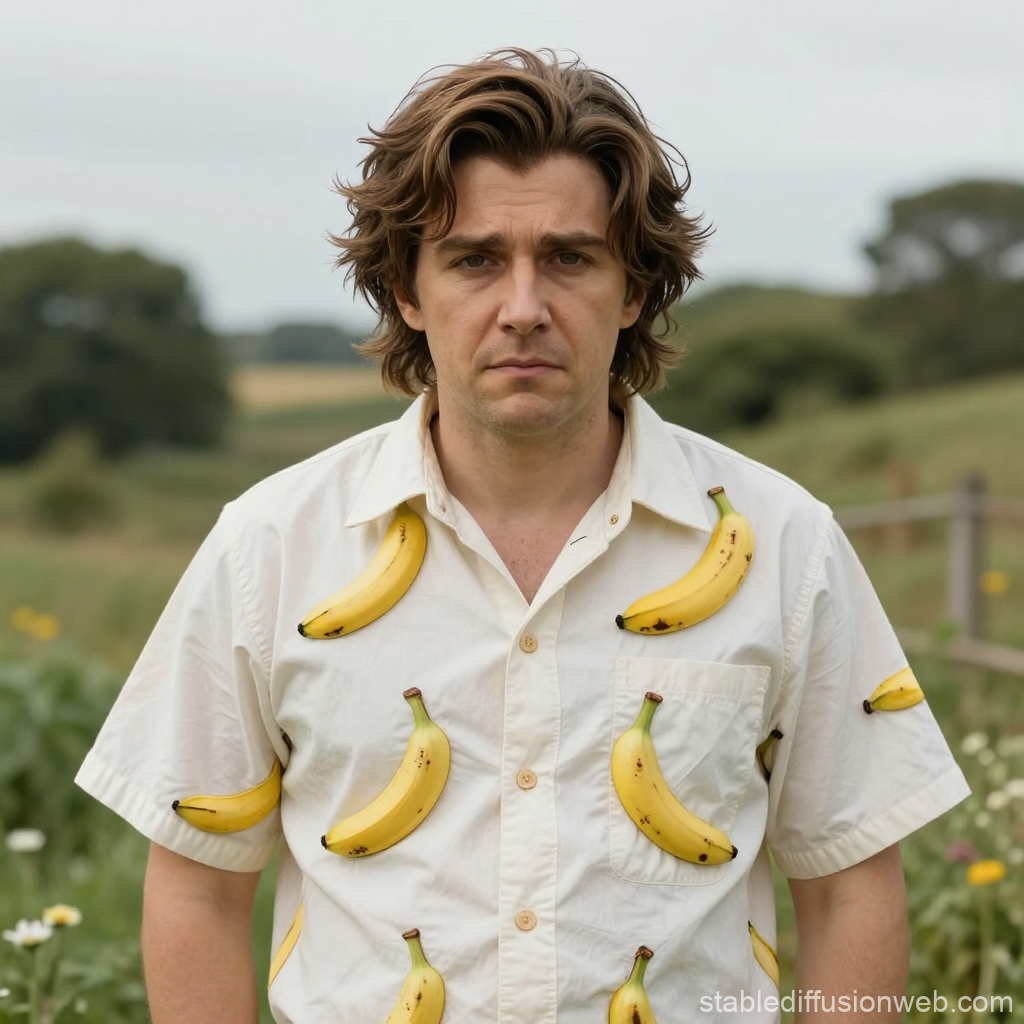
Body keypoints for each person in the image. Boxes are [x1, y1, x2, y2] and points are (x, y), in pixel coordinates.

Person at [76, 48, 969, 1023]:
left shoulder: (787, 544)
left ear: (634, 290)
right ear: (406, 292)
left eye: (570, 257)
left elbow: (848, 884)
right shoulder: (268, 548)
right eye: (474, 260)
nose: (523, 308)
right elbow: (199, 886)